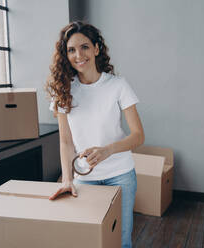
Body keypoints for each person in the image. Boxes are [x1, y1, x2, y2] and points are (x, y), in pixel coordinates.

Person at [46, 21, 144, 248]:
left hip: (120, 175)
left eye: (85, 47)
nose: (78, 55)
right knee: (89, 241)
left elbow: (138, 136)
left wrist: (108, 150)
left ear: (97, 49)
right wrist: (68, 179)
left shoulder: (118, 85)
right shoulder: (64, 90)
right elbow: (66, 141)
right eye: (71, 50)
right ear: (65, 54)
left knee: (121, 241)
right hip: (85, 178)